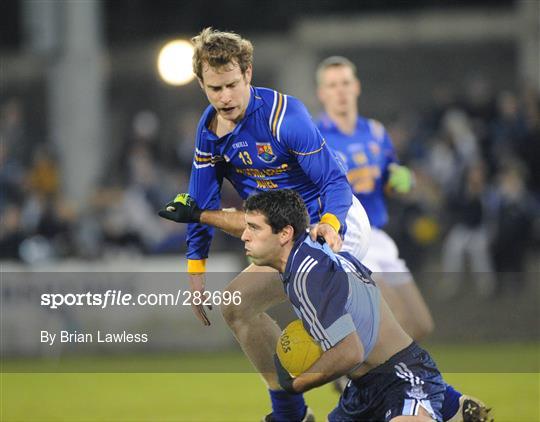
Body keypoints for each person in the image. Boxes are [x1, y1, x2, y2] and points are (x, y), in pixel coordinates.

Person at [159, 28, 371, 421]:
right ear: (202, 84)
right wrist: (195, 270)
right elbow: (199, 206)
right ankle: (292, 413)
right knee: (236, 307)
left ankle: (431, 397)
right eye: (214, 88)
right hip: (284, 237)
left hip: (334, 222)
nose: (224, 97)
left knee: (345, 343)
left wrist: (329, 225)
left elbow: (335, 182)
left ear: (248, 74)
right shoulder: (209, 134)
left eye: (231, 85)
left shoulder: (284, 116)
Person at [314, 56, 491, 422]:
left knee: (420, 324)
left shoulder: (376, 132)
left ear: (356, 87)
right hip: (350, 239)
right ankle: (432, 401)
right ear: (321, 93)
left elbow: (392, 173)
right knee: (390, 327)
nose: (341, 91)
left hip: (380, 238)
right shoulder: (315, 136)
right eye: (332, 85)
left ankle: (371, 384)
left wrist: (401, 180)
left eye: (346, 82)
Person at [241, 189, 457, 421]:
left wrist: (297, 384)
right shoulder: (312, 256)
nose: (244, 235)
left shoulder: (309, 275)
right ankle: (453, 404)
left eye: (254, 228)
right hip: (361, 390)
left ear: (284, 234)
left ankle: (446, 405)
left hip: (400, 377)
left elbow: (350, 352)